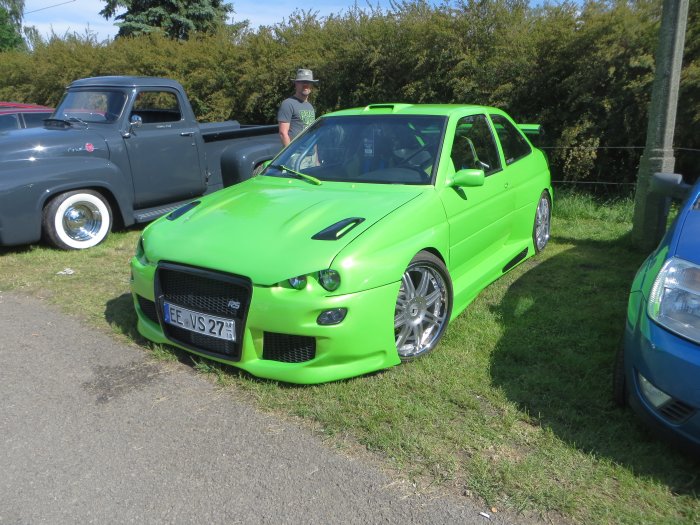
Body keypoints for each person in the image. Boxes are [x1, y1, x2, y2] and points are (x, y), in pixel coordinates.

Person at [277, 68, 318, 146]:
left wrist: (315, 156)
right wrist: (291, 155)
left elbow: (313, 133)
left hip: (310, 154)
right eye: (302, 82)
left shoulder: (310, 106)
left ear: (311, 85)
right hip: (296, 154)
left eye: (309, 82)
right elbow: (283, 133)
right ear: (296, 84)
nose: (306, 85)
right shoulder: (288, 104)